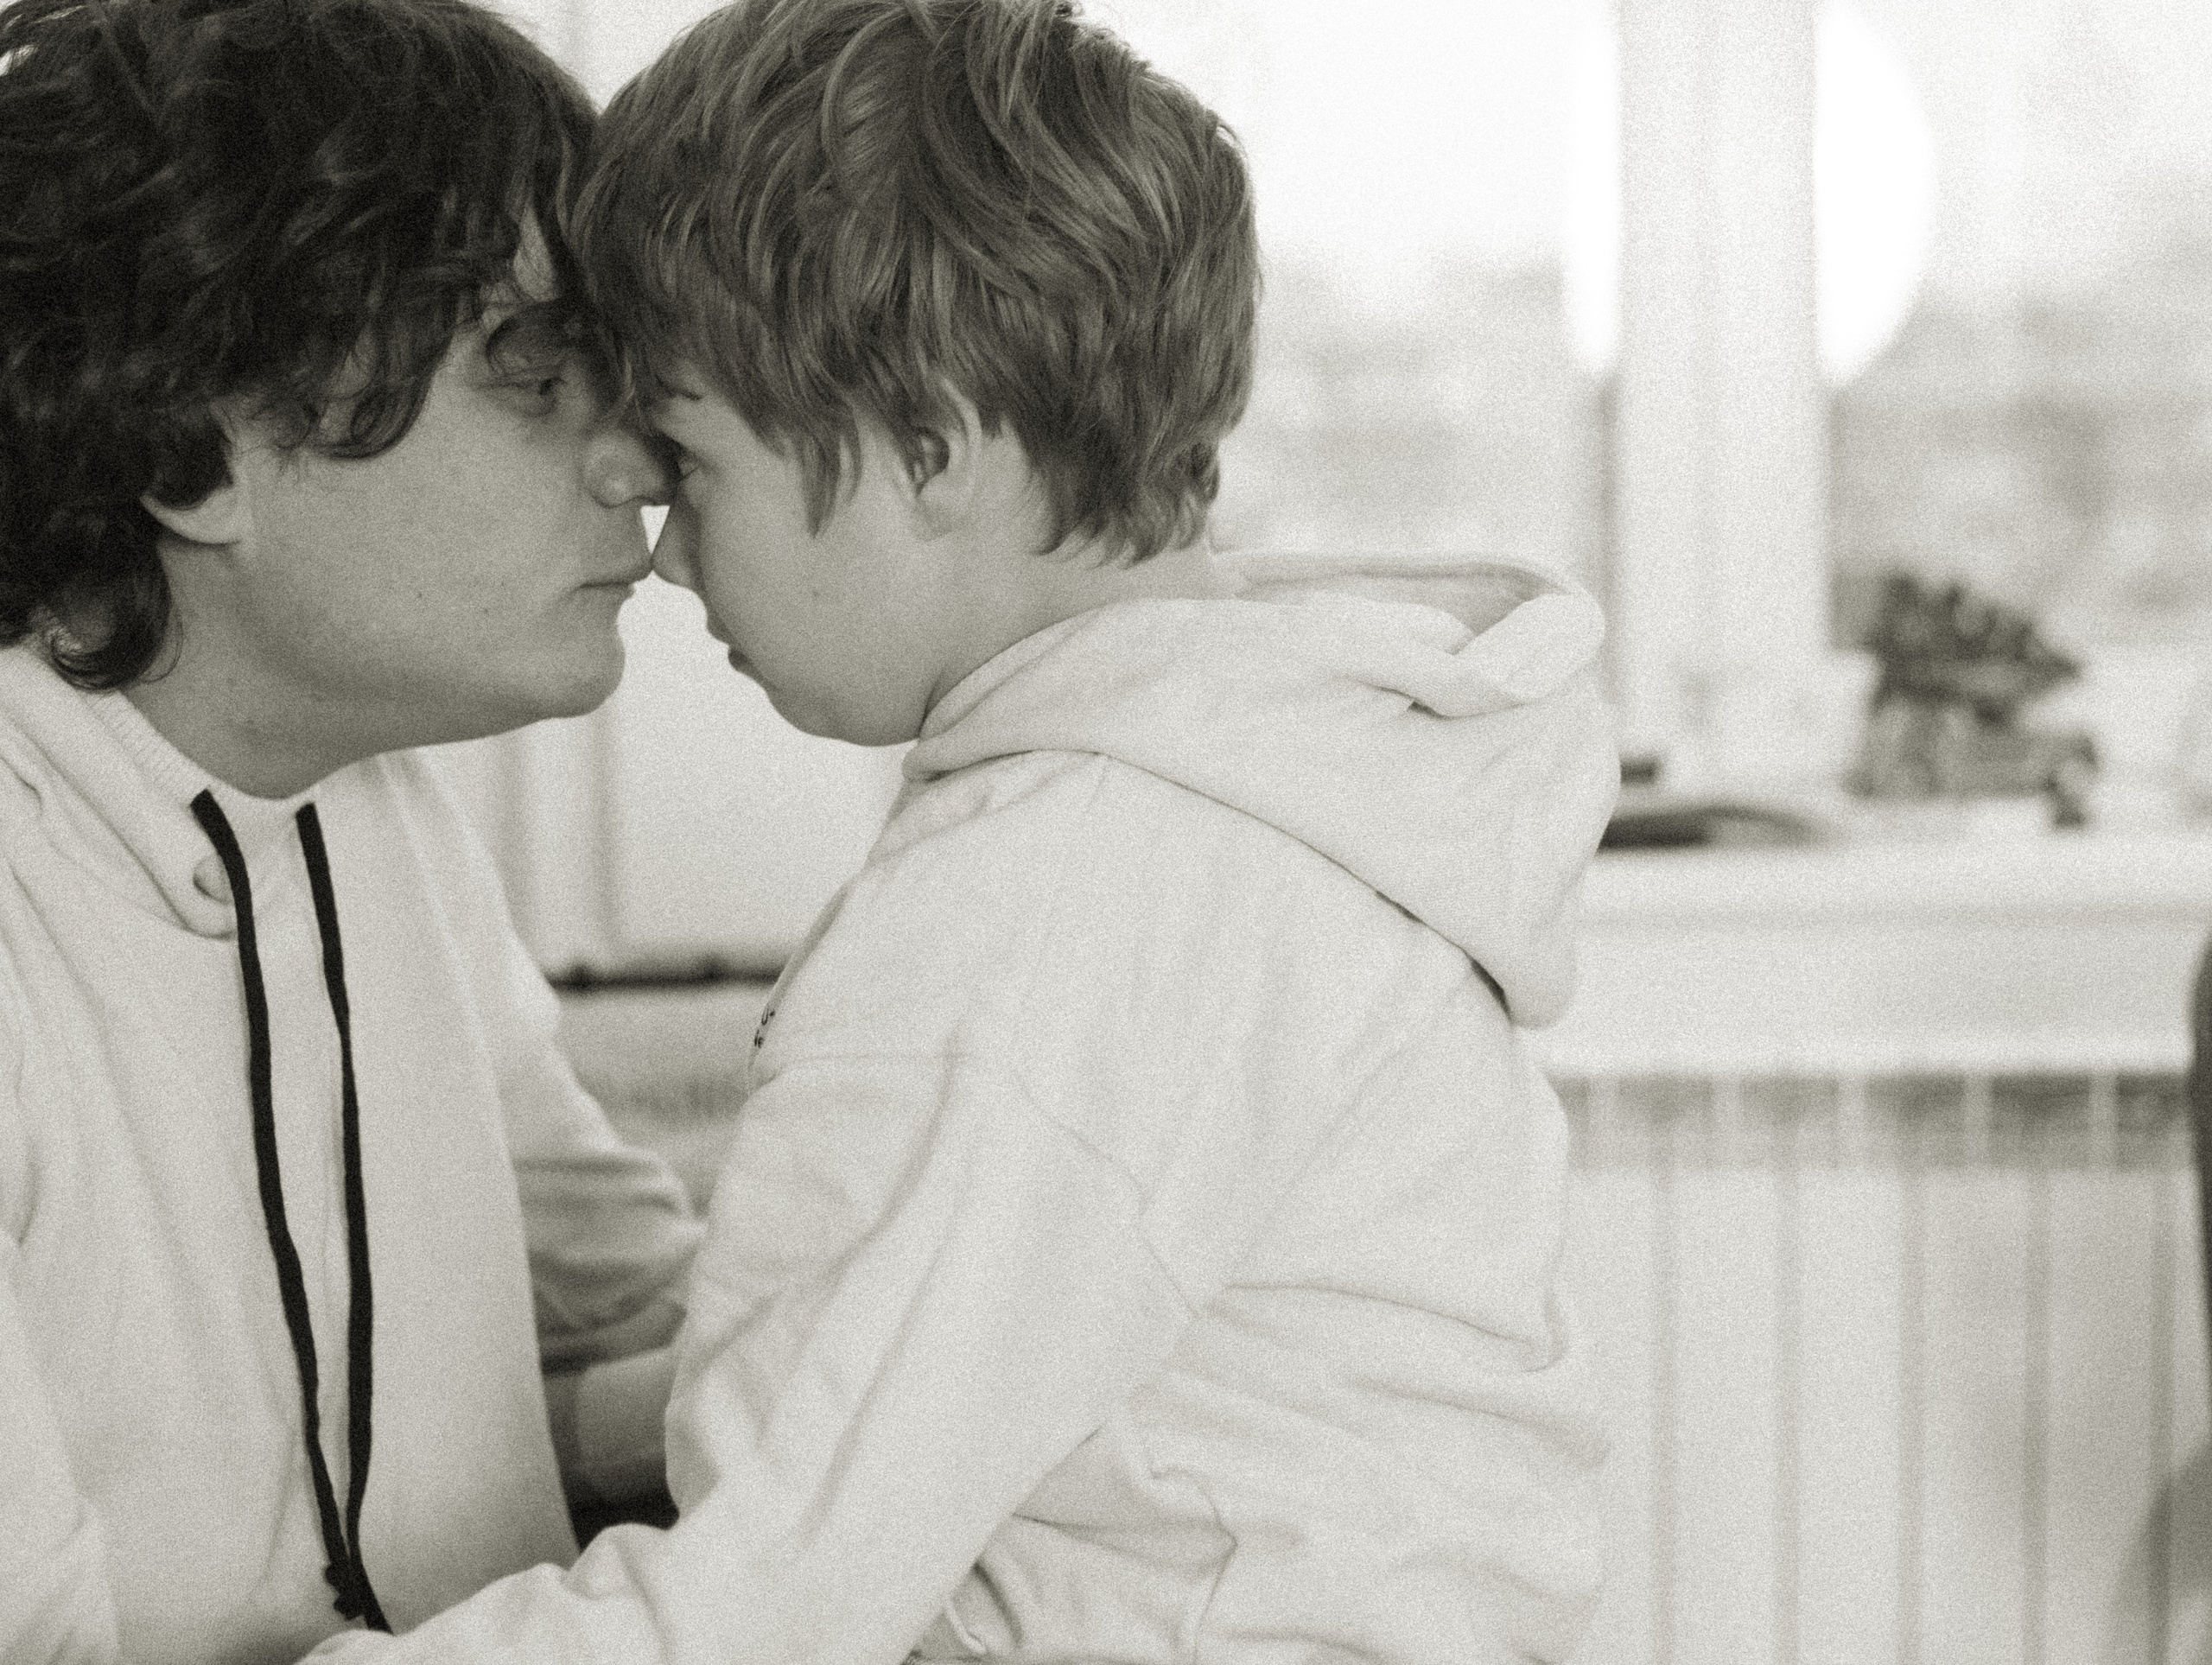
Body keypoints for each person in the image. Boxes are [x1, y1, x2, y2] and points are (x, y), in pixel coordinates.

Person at [308, 0, 1619, 1660]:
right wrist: (543, 1424)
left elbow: (768, 1590)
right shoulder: (1240, 801)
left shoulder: (1050, 911)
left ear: (924, 448)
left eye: (695, 463)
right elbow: (918, 1372)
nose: (670, 555)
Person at [0, 0, 706, 1658]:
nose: (640, 466)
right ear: (195, 448)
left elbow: (613, 1312)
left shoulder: (376, 806)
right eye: (536, 376)